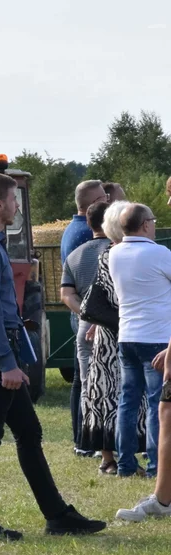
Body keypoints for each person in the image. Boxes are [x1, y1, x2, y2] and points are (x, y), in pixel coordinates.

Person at [0, 171, 104, 541]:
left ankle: (57, 515)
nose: (18, 206)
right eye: (13, 200)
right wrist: (6, 364)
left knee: (29, 432)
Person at [108, 202, 171, 479]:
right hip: (156, 336)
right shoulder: (159, 253)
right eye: (153, 221)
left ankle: (125, 464)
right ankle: (157, 465)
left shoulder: (114, 254)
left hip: (127, 335)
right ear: (145, 224)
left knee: (128, 401)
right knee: (159, 403)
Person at [80, 202, 144, 473]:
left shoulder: (106, 253)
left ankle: (108, 458)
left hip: (107, 334)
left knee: (104, 396)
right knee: (122, 396)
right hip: (122, 332)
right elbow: (121, 298)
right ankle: (119, 459)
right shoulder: (122, 254)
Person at [60, 201, 111, 458]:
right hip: (113, 329)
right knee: (115, 387)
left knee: (88, 386)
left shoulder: (75, 255)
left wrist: (85, 314)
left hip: (84, 327)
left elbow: (66, 293)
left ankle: (85, 442)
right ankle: (111, 447)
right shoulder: (115, 251)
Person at [60, 180, 104, 264]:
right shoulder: (91, 231)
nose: (108, 201)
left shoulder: (71, 227)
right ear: (96, 203)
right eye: (105, 197)